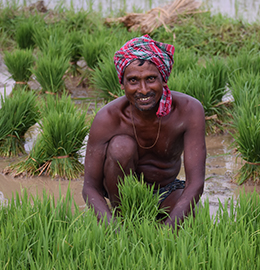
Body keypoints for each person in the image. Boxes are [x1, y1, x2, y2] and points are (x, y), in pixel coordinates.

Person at [82, 35, 206, 227]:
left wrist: (168, 232)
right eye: (133, 80)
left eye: (150, 79)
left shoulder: (188, 111)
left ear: (163, 79)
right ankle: (124, 216)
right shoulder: (108, 118)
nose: (143, 89)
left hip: (166, 190)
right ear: (122, 84)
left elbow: (196, 182)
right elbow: (90, 188)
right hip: (121, 196)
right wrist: (113, 229)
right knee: (121, 147)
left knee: (192, 219)